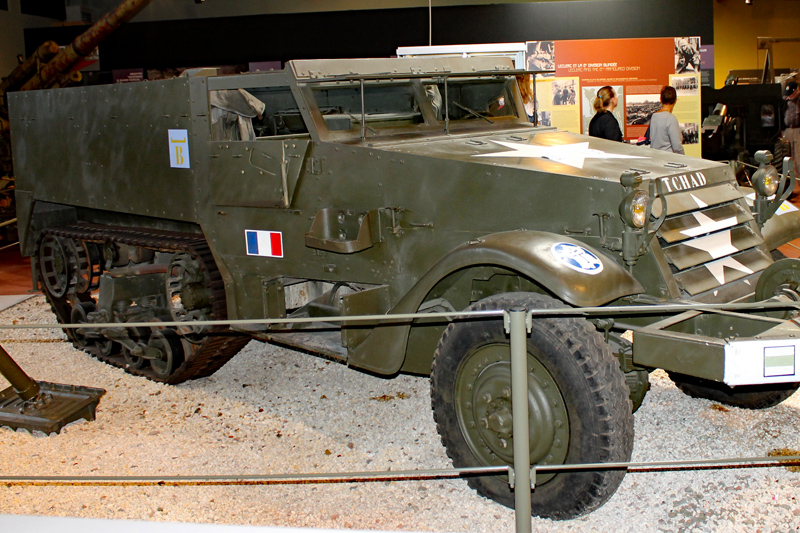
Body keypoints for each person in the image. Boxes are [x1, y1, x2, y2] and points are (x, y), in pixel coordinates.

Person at [648, 86, 685, 154]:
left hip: (655, 156)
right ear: (675, 100)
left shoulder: (654, 116)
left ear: (661, 100)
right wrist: (683, 157)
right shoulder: (671, 118)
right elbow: (677, 146)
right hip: (668, 157)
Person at [782, 80, 800, 196]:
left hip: (798, 130)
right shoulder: (785, 102)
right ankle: (791, 185)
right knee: (788, 158)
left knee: (799, 158)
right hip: (787, 130)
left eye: (792, 93)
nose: (790, 96)